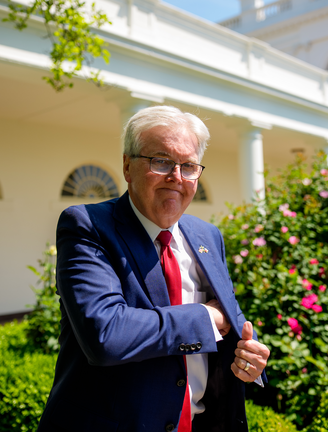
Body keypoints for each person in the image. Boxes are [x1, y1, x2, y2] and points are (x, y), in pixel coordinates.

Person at [36, 106, 270, 432]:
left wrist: (250, 353)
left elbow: (230, 318)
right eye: (161, 161)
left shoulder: (207, 235)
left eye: (188, 166)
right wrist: (206, 319)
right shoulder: (87, 226)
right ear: (127, 166)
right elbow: (106, 335)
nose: (176, 176)